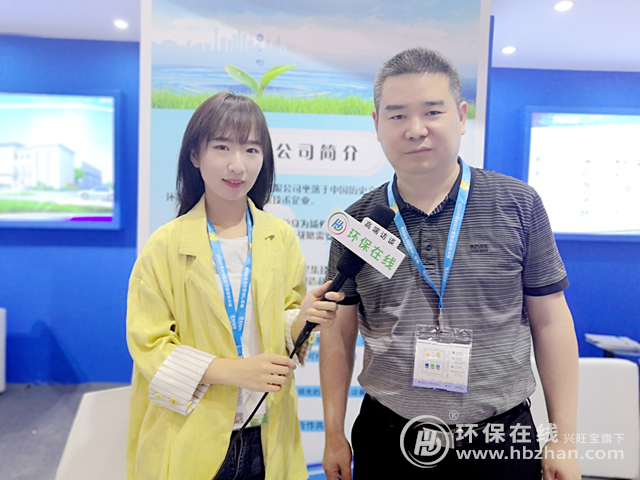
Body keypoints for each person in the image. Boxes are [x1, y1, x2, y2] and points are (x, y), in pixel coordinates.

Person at [320, 48, 581, 480]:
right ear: (377, 124)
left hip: (498, 438)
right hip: (389, 436)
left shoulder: (518, 204)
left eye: (432, 112)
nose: (415, 129)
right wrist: (333, 433)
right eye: (398, 115)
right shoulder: (359, 223)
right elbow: (338, 335)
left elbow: (551, 321)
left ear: (460, 117)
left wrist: (564, 438)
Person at [126, 91, 344, 480]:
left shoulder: (279, 236)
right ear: (195, 155)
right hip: (192, 433)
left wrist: (303, 318)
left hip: (267, 433)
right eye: (222, 147)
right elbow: (150, 345)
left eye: (251, 149)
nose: (237, 164)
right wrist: (234, 371)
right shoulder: (165, 245)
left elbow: (282, 321)